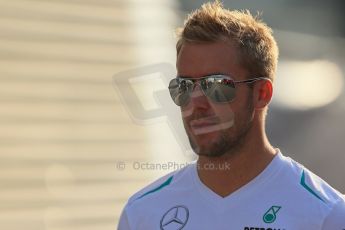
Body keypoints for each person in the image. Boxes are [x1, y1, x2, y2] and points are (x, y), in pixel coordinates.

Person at [118, 1, 345, 229]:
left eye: (216, 85)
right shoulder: (142, 213)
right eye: (184, 86)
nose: (195, 104)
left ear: (261, 94)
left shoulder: (327, 214)